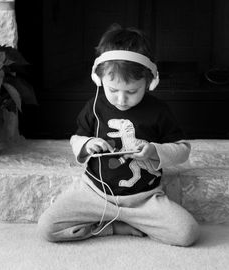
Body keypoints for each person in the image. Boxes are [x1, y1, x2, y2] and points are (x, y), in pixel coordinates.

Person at [37, 23, 200, 246]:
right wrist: (87, 144)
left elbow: (182, 150)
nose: (121, 100)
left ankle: (131, 221)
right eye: (113, 90)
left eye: (132, 91)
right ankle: (112, 227)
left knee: (187, 233)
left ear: (150, 82)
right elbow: (76, 138)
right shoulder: (94, 106)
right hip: (94, 194)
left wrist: (155, 150)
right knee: (48, 227)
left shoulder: (159, 111)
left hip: (144, 200)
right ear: (98, 79)